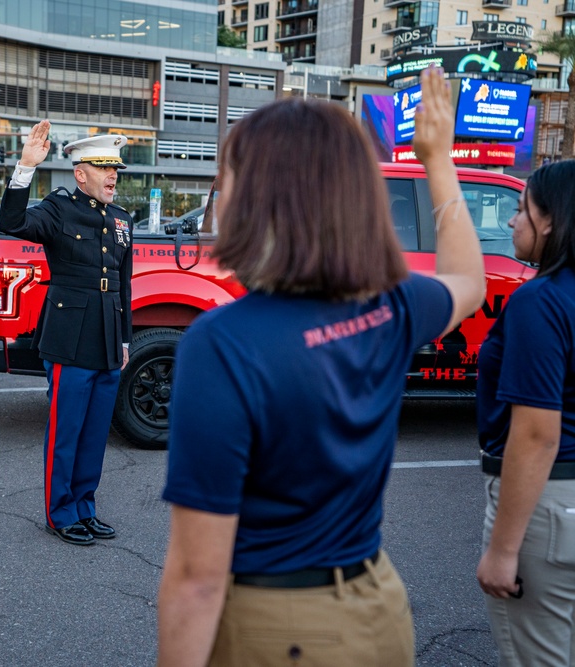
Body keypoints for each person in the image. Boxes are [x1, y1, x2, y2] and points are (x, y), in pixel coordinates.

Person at [156, 66, 486, 666]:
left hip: (277, 626)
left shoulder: (224, 341)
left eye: (225, 177)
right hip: (379, 604)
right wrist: (438, 160)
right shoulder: (392, 306)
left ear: (262, 196)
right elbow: (468, 280)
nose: (217, 193)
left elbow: (197, 577)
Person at [0, 124, 132, 546]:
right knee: (66, 431)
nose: (113, 177)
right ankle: (60, 513)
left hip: (109, 335)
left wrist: (125, 340)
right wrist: (25, 168)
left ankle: (85, 507)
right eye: (103, 168)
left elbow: (124, 286)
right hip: (70, 336)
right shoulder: (59, 209)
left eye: (116, 170)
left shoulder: (121, 218)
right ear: (81, 173)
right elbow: (11, 223)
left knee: (94, 433)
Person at [476, 159, 575, 666]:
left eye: (521, 209)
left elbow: (536, 435)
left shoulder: (540, 299)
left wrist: (503, 549)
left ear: (552, 219)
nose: (513, 222)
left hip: (550, 505)